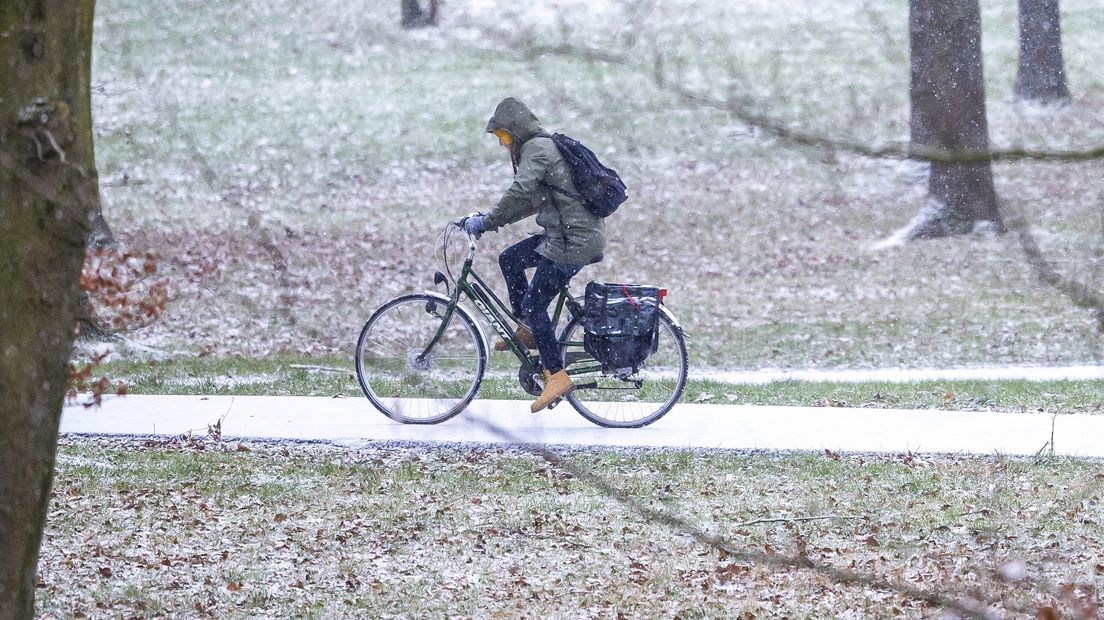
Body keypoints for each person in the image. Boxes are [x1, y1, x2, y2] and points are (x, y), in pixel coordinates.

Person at [462, 97, 605, 413]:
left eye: (503, 136)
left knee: (535, 303)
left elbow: (520, 192)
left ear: (516, 130)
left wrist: (486, 222)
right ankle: (528, 329)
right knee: (509, 259)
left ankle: (556, 375)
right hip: (566, 234)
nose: (502, 144)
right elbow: (530, 202)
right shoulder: (538, 148)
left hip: (573, 241)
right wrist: (490, 219)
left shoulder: (536, 150)